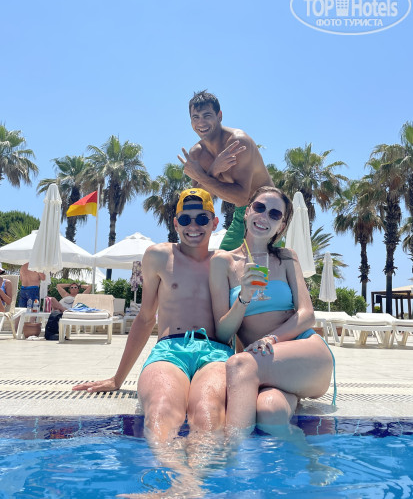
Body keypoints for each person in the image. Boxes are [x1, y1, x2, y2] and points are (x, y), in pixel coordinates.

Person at [73, 188, 233, 444]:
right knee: (159, 410)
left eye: (202, 219)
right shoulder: (159, 256)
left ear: (214, 223)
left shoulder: (225, 262)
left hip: (215, 352)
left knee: (208, 414)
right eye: (185, 219)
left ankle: (197, 470)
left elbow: (240, 320)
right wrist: (117, 379)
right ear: (176, 223)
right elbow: (146, 318)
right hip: (170, 350)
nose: (193, 226)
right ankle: (174, 469)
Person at [209, 186, 335, 433]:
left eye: (275, 214)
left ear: (281, 226)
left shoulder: (287, 258)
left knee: (240, 365)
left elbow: (307, 314)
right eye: (259, 208)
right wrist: (243, 298)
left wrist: (271, 339)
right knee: (270, 411)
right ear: (247, 212)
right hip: (264, 362)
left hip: (305, 350)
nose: (264, 216)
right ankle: (308, 454)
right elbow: (223, 334)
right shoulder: (222, 262)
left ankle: (231, 452)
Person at [178, 90, 274, 251]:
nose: (201, 122)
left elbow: (242, 197)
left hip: (267, 212)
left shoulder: (237, 142)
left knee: (261, 263)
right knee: (223, 261)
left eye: (207, 115)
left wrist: (202, 177)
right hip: (241, 213)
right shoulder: (197, 154)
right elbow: (198, 202)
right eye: (195, 117)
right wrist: (214, 169)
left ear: (219, 116)